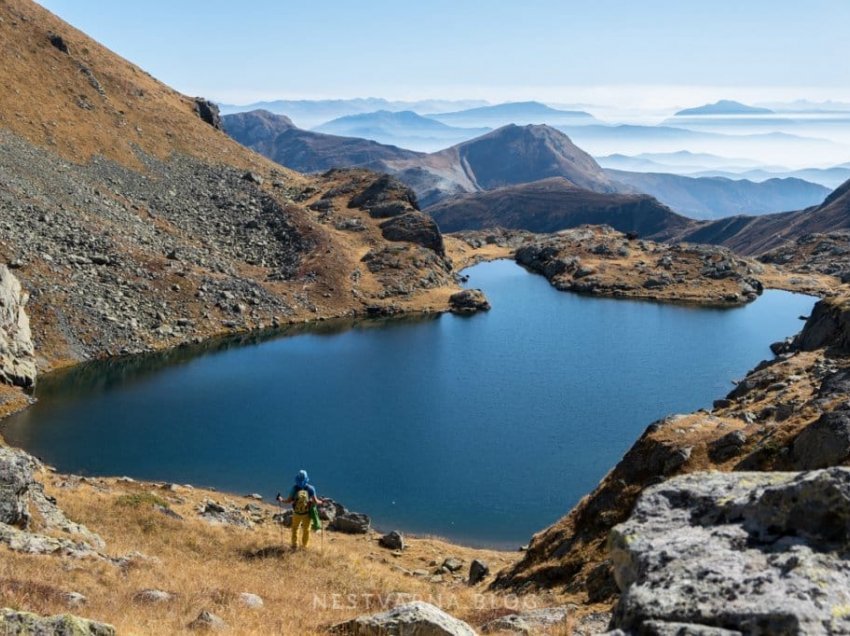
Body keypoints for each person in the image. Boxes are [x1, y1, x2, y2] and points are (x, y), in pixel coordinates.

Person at [277, 470, 323, 549]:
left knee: (295, 528)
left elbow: (288, 501)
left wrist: (281, 499)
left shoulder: (294, 488)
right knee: (306, 530)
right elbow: (316, 501)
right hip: (306, 514)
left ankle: (294, 545)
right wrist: (321, 502)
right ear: (306, 479)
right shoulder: (311, 488)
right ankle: (304, 546)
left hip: (297, 513)